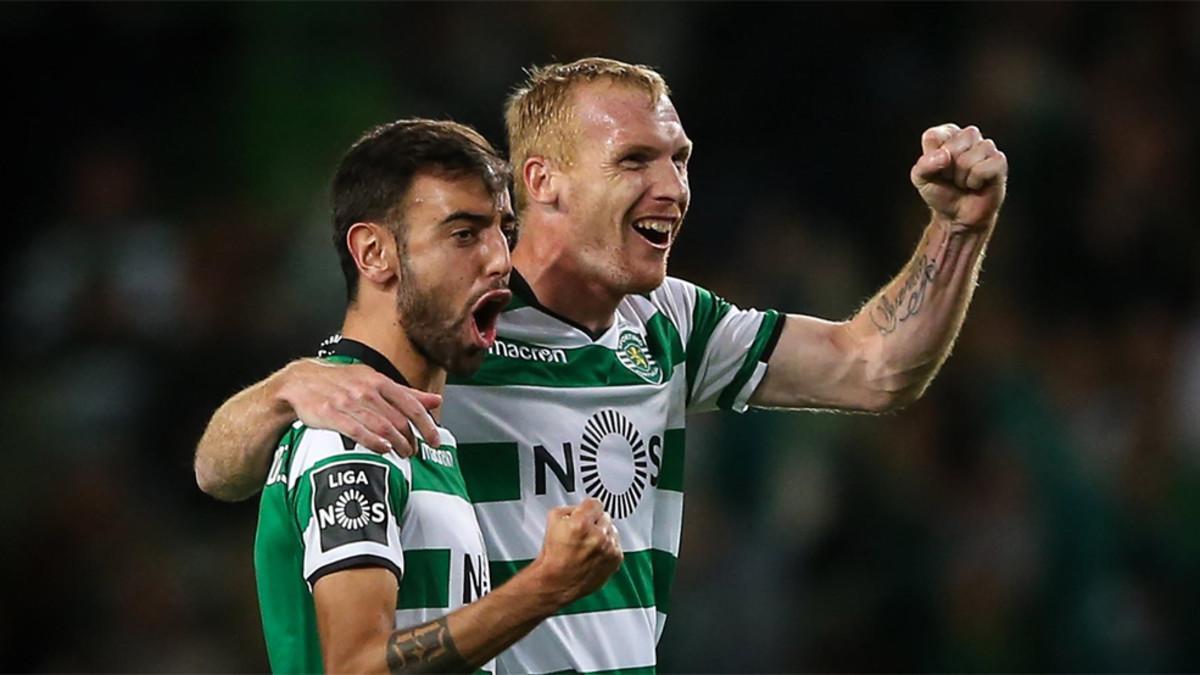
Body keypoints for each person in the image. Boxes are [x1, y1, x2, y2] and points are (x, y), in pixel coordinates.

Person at [195, 58, 1008, 673]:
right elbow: (226, 470)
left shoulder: (669, 322)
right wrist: (281, 390)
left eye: (679, 158)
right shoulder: (450, 321)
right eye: (635, 161)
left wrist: (959, 230)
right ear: (543, 182)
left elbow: (875, 368)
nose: (673, 187)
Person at [251, 118, 622, 674]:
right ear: (374, 253)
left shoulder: (421, 437)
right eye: (463, 234)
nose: (500, 260)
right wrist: (544, 586)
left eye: (503, 230)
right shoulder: (352, 437)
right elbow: (356, 668)